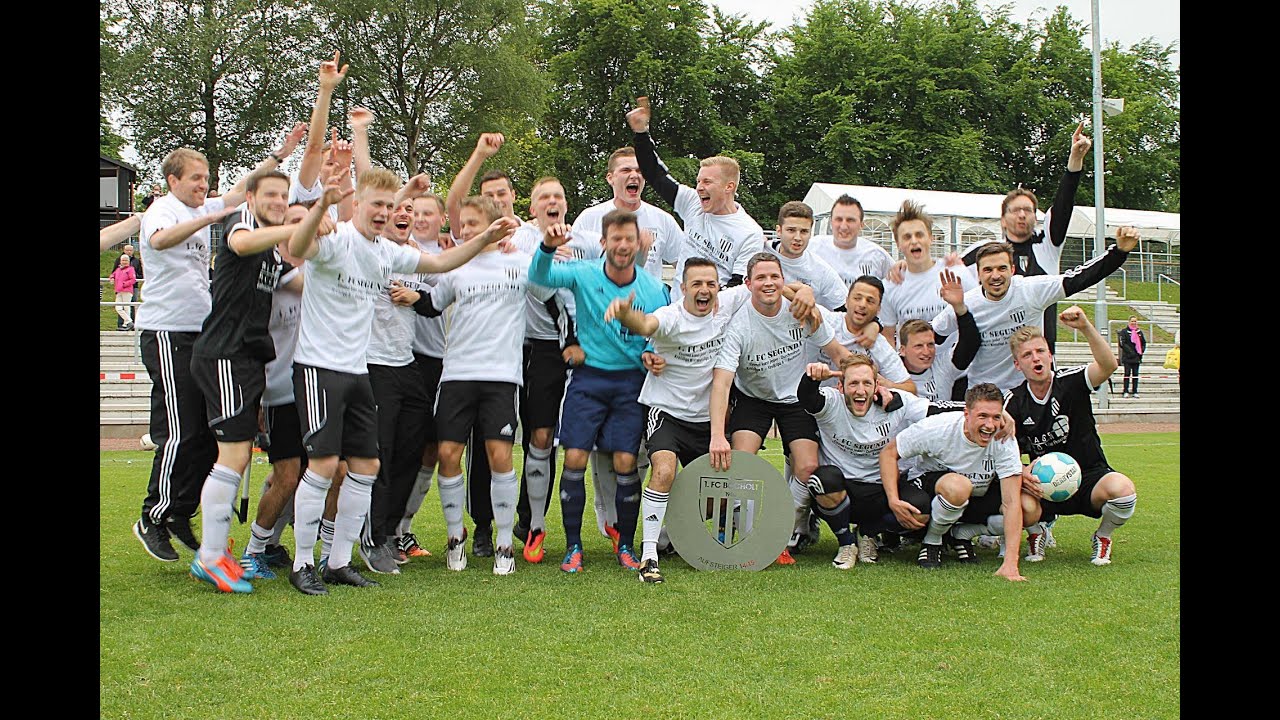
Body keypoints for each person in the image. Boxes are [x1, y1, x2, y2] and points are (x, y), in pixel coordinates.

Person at [284, 166, 517, 595]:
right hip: (319, 367)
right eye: (377, 204)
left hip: (358, 371)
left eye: (389, 206)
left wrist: (483, 238)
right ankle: (302, 564)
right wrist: (320, 208)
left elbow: (442, 262)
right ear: (359, 203)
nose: (384, 212)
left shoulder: (387, 252)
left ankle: (338, 562)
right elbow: (297, 248)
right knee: (324, 465)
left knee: (367, 466)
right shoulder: (336, 239)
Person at [132, 133, 302, 565]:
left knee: (210, 437)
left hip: (201, 329)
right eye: (194, 178)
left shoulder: (207, 209)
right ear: (172, 180)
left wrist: (279, 155)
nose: (203, 186)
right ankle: (155, 516)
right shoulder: (164, 210)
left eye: (206, 178)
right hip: (169, 330)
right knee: (180, 430)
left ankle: (181, 512)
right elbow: (160, 241)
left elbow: (243, 190)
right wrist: (206, 218)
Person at [398, 195, 554, 576]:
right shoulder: (456, 265)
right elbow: (433, 304)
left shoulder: (520, 262)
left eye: (472, 223)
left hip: (502, 377)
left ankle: (504, 543)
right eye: (462, 224)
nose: (464, 230)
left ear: (494, 225)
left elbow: (549, 295)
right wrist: (411, 297)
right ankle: (455, 539)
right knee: (448, 453)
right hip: (456, 375)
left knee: (499, 456)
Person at [529, 209, 670, 573]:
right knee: (575, 457)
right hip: (588, 379)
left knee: (625, 462)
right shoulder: (584, 272)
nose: (623, 245)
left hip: (630, 383)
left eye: (629, 239)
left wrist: (651, 354)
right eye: (616, 239)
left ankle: (625, 546)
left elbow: (660, 336)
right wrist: (547, 247)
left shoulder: (654, 289)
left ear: (638, 244)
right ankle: (573, 547)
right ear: (604, 242)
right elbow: (538, 277)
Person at [603, 257, 754, 583]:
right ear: (683, 288)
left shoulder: (728, 303)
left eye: (710, 284)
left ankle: (676, 536)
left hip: (707, 419)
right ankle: (649, 556)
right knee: (664, 471)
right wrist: (625, 313)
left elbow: (765, 283)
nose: (704, 290)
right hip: (666, 411)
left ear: (719, 288)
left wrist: (800, 293)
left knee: (717, 492)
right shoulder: (671, 316)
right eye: (696, 284)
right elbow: (646, 325)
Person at [186, 169, 301, 593]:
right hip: (225, 356)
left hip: (249, 361)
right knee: (232, 457)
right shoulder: (243, 224)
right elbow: (239, 244)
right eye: (270, 194)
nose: (279, 202)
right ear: (251, 197)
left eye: (284, 196)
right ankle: (211, 557)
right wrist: (296, 226)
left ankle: (215, 553)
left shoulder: (274, 254)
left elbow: (309, 283)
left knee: (236, 457)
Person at [709, 252, 851, 564]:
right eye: (760, 277)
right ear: (748, 284)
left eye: (774, 276)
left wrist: (867, 379)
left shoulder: (802, 311)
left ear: (784, 280)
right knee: (740, 465)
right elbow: (721, 382)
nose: (768, 283)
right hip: (753, 399)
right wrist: (718, 435)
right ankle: (745, 535)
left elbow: (837, 352)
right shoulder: (739, 326)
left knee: (807, 468)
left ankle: (783, 533)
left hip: (795, 399)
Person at [797, 355, 966, 569]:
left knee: (921, 510)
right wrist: (812, 377)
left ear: (877, 386)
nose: (860, 390)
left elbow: (937, 409)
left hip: (882, 491)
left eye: (867, 383)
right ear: (840, 386)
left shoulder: (897, 402)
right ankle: (846, 543)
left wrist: (983, 411)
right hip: (842, 491)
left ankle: (868, 532)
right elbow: (806, 397)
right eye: (853, 383)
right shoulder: (830, 402)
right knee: (823, 479)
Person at [1003, 307, 1138, 566]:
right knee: (1018, 501)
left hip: (1089, 475)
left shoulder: (1071, 381)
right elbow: (1002, 452)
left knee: (1123, 491)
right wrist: (1023, 472)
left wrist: (1085, 327)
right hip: (1043, 483)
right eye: (1027, 355)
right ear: (1017, 364)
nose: (1035, 358)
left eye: (1040, 351)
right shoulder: (1013, 402)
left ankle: (1103, 536)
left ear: (1050, 355)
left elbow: (1109, 365)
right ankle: (1037, 531)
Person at [930, 228, 1139, 393]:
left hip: (1030, 392)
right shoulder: (966, 303)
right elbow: (931, 335)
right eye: (988, 270)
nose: (995, 276)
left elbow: (1078, 279)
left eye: (1002, 268)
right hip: (986, 396)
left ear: (1012, 269)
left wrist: (1119, 252)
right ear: (978, 274)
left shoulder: (1031, 290)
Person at [878, 383, 1034, 580]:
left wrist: (1010, 564)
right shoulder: (938, 428)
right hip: (934, 489)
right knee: (958, 487)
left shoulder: (1004, 438)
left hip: (977, 493)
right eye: (983, 416)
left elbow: (1011, 503)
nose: (990, 425)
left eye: (996, 417)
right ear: (966, 414)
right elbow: (889, 453)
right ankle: (932, 540)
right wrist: (893, 499)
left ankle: (962, 533)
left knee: (1029, 508)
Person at [959, 122, 1092, 351]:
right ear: (1003, 220)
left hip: (1040, 354)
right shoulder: (984, 253)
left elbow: (1064, 203)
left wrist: (1075, 161)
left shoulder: (1047, 244)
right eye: (1015, 210)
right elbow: (940, 278)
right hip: (997, 355)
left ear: (1035, 217)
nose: (1022, 215)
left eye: (1028, 210)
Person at [508, 177, 580, 563]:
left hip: (586, 349)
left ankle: (611, 525)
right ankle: (533, 525)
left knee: (586, 441)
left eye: (558, 196)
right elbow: (535, 284)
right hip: (539, 348)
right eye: (544, 197)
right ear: (533, 207)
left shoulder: (583, 240)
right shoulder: (520, 239)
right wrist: (547, 252)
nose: (553, 202)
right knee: (539, 435)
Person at [626, 96, 764, 298]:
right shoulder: (693, 203)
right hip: (676, 309)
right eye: (698, 181)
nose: (699, 188)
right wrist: (641, 133)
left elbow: (738, 287)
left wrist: (699, 304)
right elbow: (655, 174)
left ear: (729, 187)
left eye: (707, 182)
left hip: (714, 314)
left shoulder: (750, 233)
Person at [879, 201, 977, 351]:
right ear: (898, 244)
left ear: (931, 238)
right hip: (913, 366)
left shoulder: (956, 273)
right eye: (907, 237)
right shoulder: (890, 285)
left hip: (956, 363)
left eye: (919, 235)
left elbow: (979, 314)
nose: (914, 241)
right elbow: (888, 336)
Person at [763, 201, 850, 311]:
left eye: (804, 231)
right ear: (779, 231)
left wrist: (812, 308)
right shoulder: (760, 251)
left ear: (810, 233)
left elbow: (846, 309)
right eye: (791, 230)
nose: (797, 238)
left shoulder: (821, 270)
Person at [809, 194, 894, 286]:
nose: (844, 227)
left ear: (861, 225)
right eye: (838, 219)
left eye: (850, 220)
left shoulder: (877, 255)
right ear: (831, 223)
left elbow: (899, 283)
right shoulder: (813, 248)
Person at [1117, 315, 1146, 398]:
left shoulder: (1139, 332)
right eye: (1132, 321)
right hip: (1128, 357)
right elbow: (1122, 343)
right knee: (1127, 374)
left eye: (1135, 321)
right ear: (1129, 322)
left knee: (1135, 375)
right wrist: (1130, 352)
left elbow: (1143, 343)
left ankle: (1135, 391)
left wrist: (1141, 351)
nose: (1134, 323)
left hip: (1137, 357)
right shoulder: (1124, 332)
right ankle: (1125, 390)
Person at [109, 254, 137, 331]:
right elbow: (113, 274)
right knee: (118, 308)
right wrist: (111, 278)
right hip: (118, 291)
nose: (124, 262)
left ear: (129, 261)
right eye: (123, 260)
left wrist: (124, 284)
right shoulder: (118, 269)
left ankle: (126, 324)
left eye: (126, 260)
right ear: (120, 261)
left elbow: (133, 280)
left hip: (127, 291)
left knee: (126, 307)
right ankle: (129, 322)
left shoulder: (130, 269)